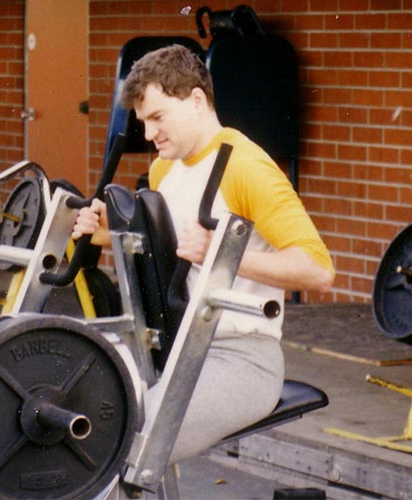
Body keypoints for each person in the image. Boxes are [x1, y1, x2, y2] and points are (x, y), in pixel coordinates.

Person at [72, 44, 334, 463]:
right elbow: (172, 257)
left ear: (196, 100)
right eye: (142, 121)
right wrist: (108, 235)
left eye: (158, 118)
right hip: (173, 348)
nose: (149, 133)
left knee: (123, 448)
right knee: (74, 424)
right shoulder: (164, 168)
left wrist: (221, 253)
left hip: (241, 358)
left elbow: (318, 270)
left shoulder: (246, 166)